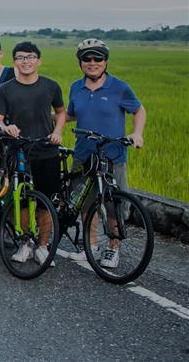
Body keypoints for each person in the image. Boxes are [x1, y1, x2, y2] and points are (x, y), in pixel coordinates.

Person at [65, 39, 146, 268]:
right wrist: (46, 117)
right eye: (87, 59)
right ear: (80, 63)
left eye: (97, 58)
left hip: (113, 155)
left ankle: (113, 247)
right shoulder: (75, 87)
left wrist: (137, 133)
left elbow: (139, 110)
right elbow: (70, 114)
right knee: (85, 202)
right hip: (83, 155)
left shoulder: (119, 87)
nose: (92, 63)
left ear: (105, 61)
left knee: (114, 204)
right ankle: (90, 246)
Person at [0, 41, 66, 266]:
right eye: (21, 57)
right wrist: (6, 128)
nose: (26, 61)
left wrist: (57, 131)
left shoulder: (51, 86)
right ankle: (25, 242)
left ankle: (42, 246)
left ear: (39, 60)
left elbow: (61, 112)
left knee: (46, 202)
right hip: (18, 151)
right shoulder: (5, 89)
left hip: (46, 150)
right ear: (14, 62)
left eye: (31, 57)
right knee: (21, 201)